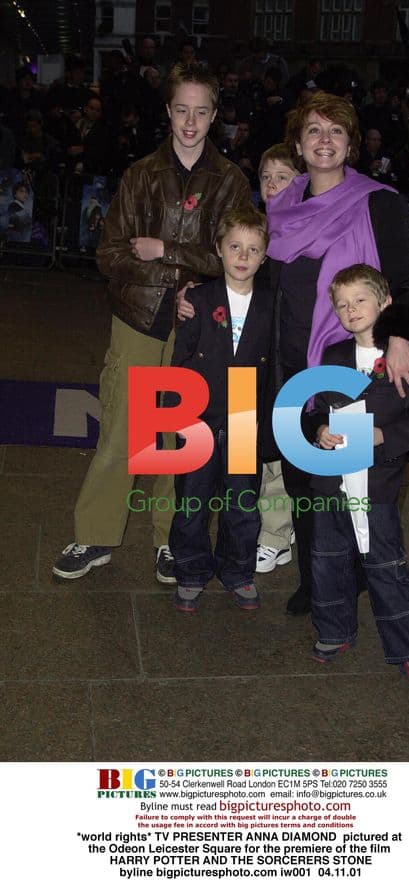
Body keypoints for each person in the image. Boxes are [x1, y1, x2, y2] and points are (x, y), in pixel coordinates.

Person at [52, 63, 251, 583]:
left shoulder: (230, 181)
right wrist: (177, 272)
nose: (190, 121)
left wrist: (166, 250)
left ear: (215, 116)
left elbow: (238, 254)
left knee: (173, 437)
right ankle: (95, 535)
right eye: (181, 110)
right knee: (120, 431)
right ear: (168, 111)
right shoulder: (140, 174)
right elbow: (109, 253)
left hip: (195, 324)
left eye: (201, 111)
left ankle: (170, 541)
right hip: (138, 318)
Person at [265, 91, 409, 616]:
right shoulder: (282, 206)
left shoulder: (379, 202)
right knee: (300, 475)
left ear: (351, 144)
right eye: (314, 130)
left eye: (336, 131)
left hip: (350, 367)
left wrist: (399, 337)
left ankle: (353, 575)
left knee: (345, 481)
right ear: (298, 143)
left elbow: (407, 280)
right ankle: (319, 576)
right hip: (288, 362)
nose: (325, 140)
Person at [307, 264, 409, 698]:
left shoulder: (408, 360)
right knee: (326, 560)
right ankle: (335, 628)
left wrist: (384, 435)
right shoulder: (332, 356)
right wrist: (318, 431)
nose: (351, 310)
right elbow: (313, 408)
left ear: (384, 302)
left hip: (377, 486)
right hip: (331, 482)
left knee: (386, 568)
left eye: (360, 300)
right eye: (342, 304)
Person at [169, 206, 273, 612]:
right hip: (196, 408)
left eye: (253, 249)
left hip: (246, 409)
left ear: (265, 256)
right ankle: (191, 569)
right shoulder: (197, 298)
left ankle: (238, 570)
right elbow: (180, 357)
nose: (243, 257)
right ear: (219, 250)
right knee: (191, 499)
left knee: (242, 501)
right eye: (235, 247)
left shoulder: (271, 302)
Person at [255, 144, 299, 573]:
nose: (271, 185)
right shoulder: (258, 230)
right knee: (261, 445)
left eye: (282, 176)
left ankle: (276, 534)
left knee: (280, 446)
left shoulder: (303, 233)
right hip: (258, 354)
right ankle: (270, 530)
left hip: (291, 356)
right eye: (266, 176)